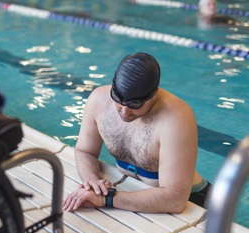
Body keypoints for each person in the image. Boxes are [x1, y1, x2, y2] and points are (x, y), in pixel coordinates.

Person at [62, 53, 211, 214]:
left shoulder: (176, 118)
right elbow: (85, 151)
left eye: (135, 104)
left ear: (153, 93)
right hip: (130, 188)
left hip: (192, 201)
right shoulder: (98, 100)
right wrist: (92, 182)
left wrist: (108, 198)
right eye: (117, 99)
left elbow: (175, 200)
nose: (124, 112)